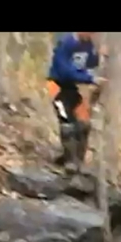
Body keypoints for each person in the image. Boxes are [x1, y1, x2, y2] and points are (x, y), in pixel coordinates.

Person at [46, 32, 106, 171]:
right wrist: (90, 79)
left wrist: (99, 56)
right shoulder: (66, 43)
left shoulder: (88, 44)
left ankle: (78, 159)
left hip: (72, 88)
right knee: (67, 122)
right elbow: (65, 71)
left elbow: (88, 63)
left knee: (83, 122)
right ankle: (70, 161)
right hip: (56, 86)